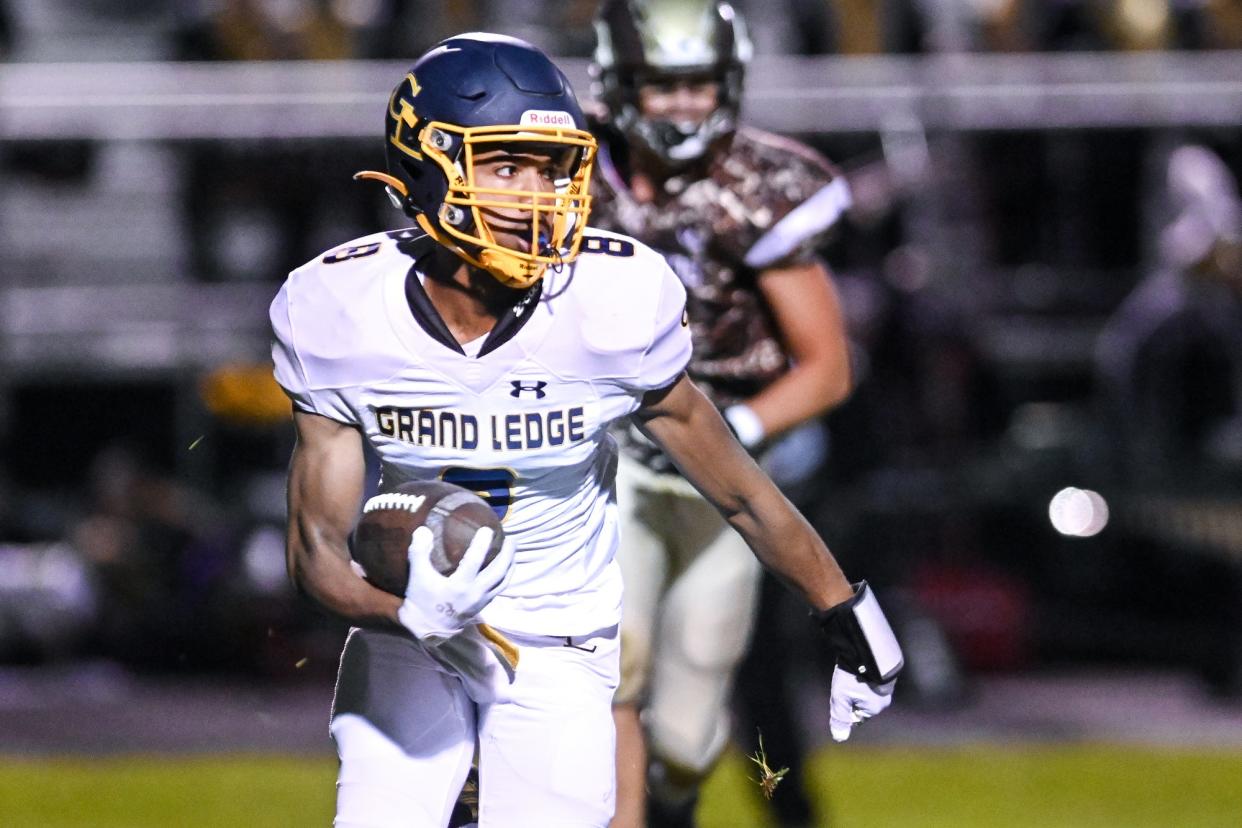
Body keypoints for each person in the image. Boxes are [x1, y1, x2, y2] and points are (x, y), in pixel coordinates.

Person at [271, 32, 902, 828]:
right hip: (405, 634)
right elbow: (315, 550)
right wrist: (405, 615)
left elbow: (738, 489)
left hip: (557, 645)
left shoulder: (611, 297)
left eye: (552, 167)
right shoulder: (337, 308)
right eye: (506, 166)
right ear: (427, 168)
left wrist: (844, 608)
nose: (537, 196)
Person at [587, 2, 857, 824]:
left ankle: (764, 803)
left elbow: (828, 367)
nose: (679, 103)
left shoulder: (757, 187)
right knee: (616, 673)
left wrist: (733, 433)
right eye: (660, 84)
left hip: (724, 470)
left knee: (691, 729)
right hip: (606, 463)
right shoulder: (563, 167)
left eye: (697, 82)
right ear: (618, 81)